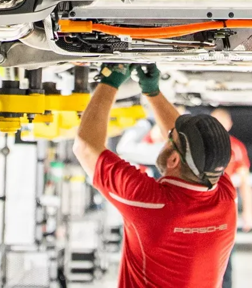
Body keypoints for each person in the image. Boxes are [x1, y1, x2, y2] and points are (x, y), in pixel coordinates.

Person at [73, 63, 236, 288]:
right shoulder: (222, 194)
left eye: (170, 139)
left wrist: (110, 81)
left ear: (174, 160)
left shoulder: (154, 204)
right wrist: (152, 92)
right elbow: (183, 142)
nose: (166, 136)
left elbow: (86, 147)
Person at [212, 108, 252, 288]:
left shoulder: (236, 147)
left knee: (226, 256)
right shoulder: (200, 145)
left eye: (222, 123)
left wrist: (248, 212)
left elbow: (245, 181)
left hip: (226, 208)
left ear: (229, 125)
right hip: (203, 205)